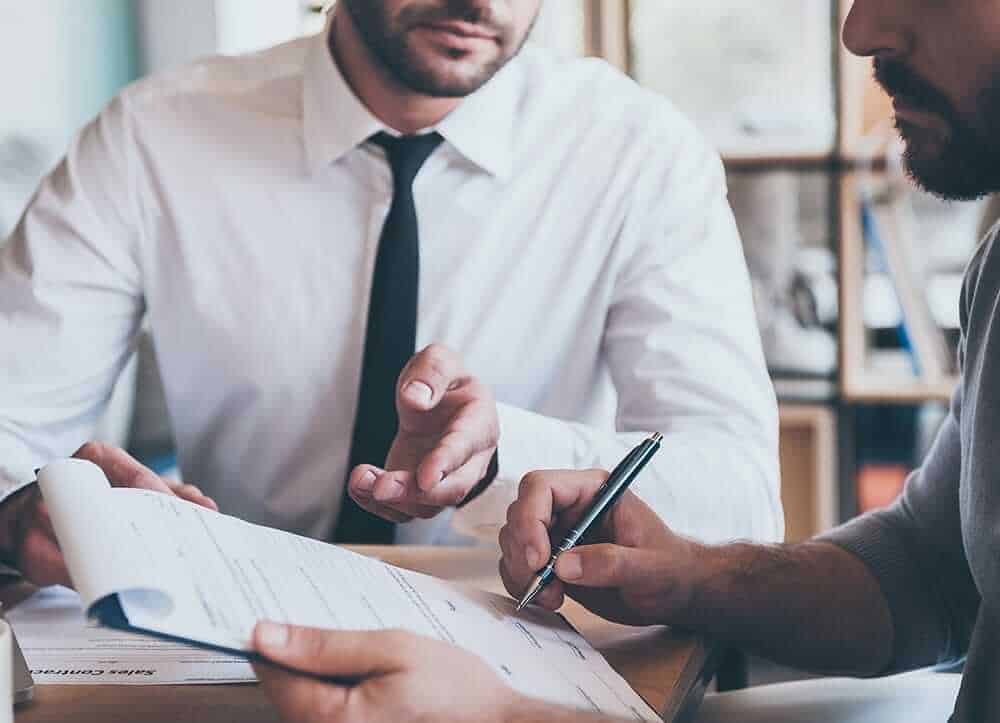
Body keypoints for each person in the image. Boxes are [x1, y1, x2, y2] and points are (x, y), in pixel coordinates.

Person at [246, 0, 1000, 720]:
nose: (860, 30)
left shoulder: (636, 147)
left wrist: (506, 718)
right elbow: (930, 573)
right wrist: (693, 580)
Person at [0, 0, 780, 586]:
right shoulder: (150, 140)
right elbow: (10, 424)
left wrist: (511, 453)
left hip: (531, 645)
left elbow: (739, 500)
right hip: (227, 642)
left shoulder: (640, 155)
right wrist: (21, 518)